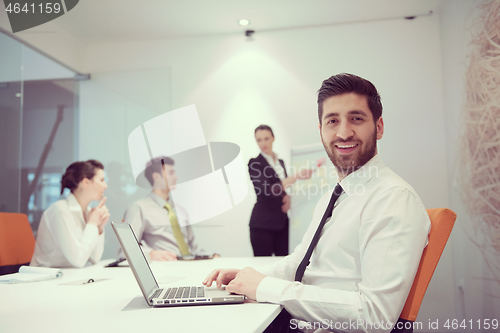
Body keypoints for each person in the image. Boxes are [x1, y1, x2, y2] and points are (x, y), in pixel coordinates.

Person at [204, 73, 431, 332]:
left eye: (356, 118)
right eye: (333, 121)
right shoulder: (332, 197)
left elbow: (375, 316)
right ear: (321, 130)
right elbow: (300, 261)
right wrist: (250, 276)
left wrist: (265, 287)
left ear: (378, 127)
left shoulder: (392, 198)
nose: (344, 132)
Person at [121, 156, 215, 261]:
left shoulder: (181, 211)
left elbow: (192, 248)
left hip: (191, 265)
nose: (176, 177)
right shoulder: (139, 208)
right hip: (165, 268)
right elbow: (125, 249)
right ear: (156, 177)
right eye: (171, 173)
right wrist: (150, 254)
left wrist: (211, 256)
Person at [249, 125, 314, 256]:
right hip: (262, 224)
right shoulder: (255, 163)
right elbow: (266, 191)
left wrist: (288, 197)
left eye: (266, 138)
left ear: (273, 138)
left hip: (282, 222)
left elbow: (281, 188)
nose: (263, 143)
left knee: (284, 263)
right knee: (262, 267)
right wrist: (296, 176)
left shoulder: (280, 162)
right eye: (259, 140)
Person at [30, 160, 109, 268]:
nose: (105, 186)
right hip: (44, 279)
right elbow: (78, 260)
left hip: (68, 276)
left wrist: (98, 228)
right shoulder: (60, 211)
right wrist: (93, 224)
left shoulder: (87, 212)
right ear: (86, 182)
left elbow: (94, 258)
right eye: (102, 180)